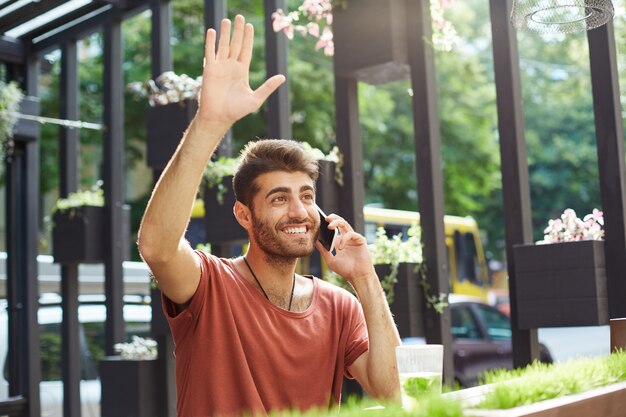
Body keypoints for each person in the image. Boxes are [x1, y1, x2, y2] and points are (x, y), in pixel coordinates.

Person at [137, 14, 401, 417]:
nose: (299, 211)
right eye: (279, 199)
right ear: (243, 214)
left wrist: (365, 278)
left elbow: (391, 393)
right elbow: (157, 247)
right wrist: (211, 122)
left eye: (306, 196)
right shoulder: (209, 286)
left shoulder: (338, 307)